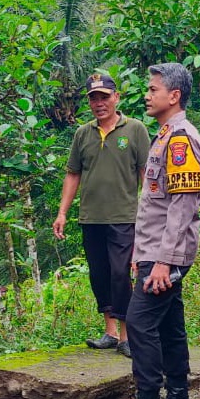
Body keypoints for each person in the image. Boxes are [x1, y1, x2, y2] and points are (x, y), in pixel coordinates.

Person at [104, 63, 200, 399]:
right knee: (169, 326)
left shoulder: (180, 139)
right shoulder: (166, 135)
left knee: (140, 326)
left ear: (173, 96)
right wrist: (140, 253)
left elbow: (182, 206)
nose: (146, 95)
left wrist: (162, 261)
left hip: (167, 254)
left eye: (153, 89)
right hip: (156, 251)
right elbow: (154, 205)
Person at [53, 73, 150, 358]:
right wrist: (62, 213)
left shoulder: (135, 130)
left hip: (124, 217)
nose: (99, 103)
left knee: (121, 274)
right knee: (100, 274)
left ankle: (126, 335)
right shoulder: (83, 133)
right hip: (91, 217)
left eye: (104, 97)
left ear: (116, 97)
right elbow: (73, 174)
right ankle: (109, 332)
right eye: (93, 98)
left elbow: (146, 175)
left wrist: (149, 216)